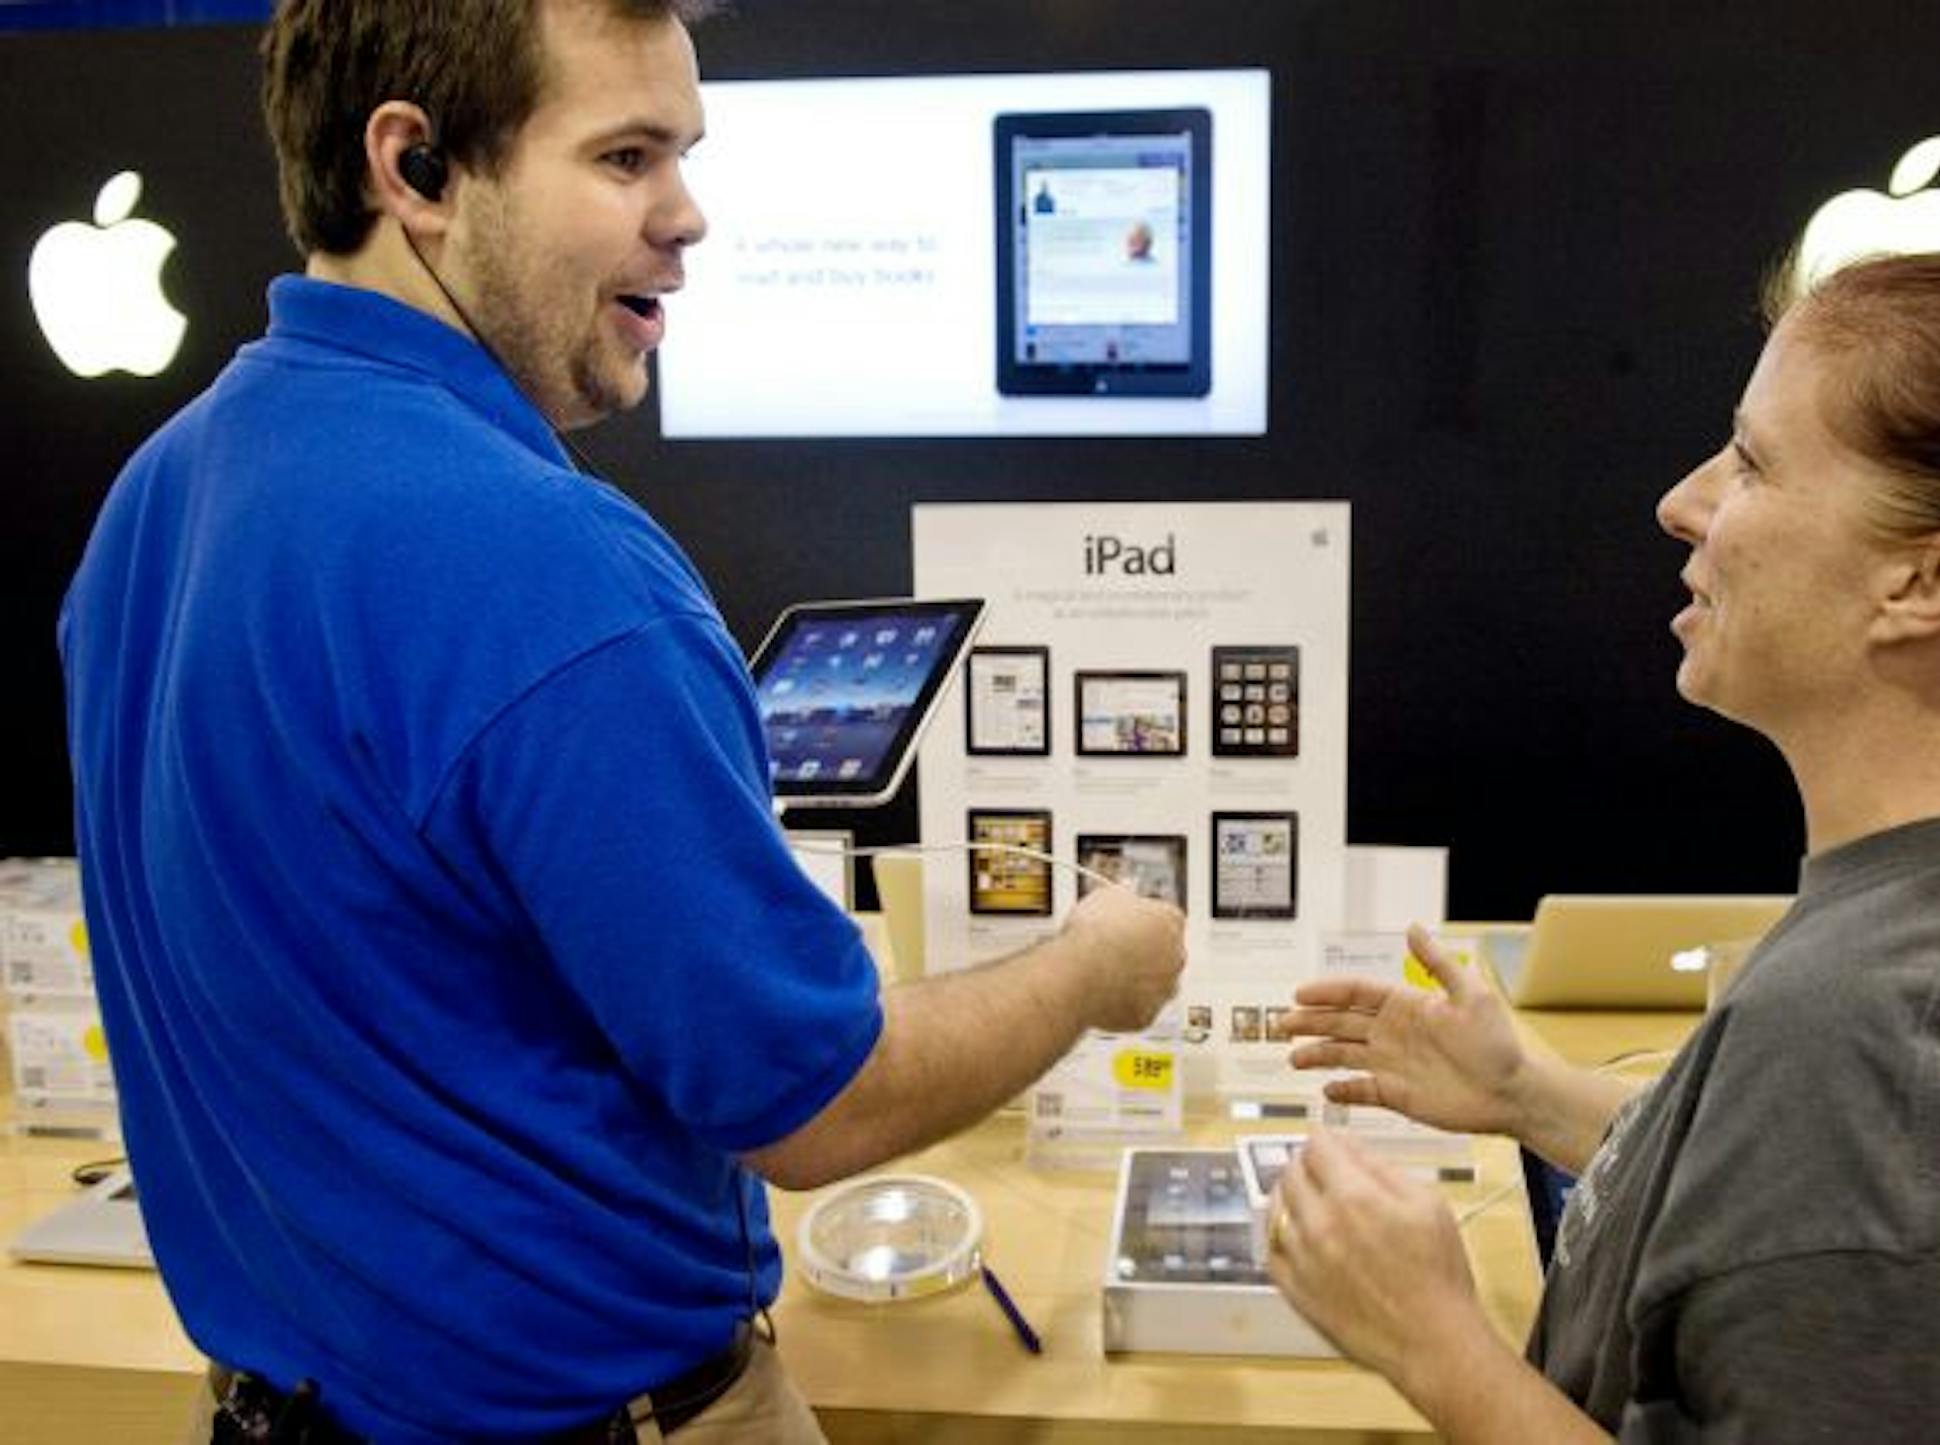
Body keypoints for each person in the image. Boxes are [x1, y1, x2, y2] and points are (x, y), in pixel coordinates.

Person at [57, 2, 1185, 1441]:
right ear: (415, 169)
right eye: (625, 157)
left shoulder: (155, 500)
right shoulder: (550, 567)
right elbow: (818, 1105)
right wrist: (1090, 967)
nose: (687, 215)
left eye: (682, 155)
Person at [1267, 240, 1940, 1442]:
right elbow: (1825, 1227)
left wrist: (1436, 1344)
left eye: (1751, 461)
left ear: (1932, 579)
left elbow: (1869, 1188)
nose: (1683, 502)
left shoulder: (1878, 1039)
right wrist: (1530, 1093)